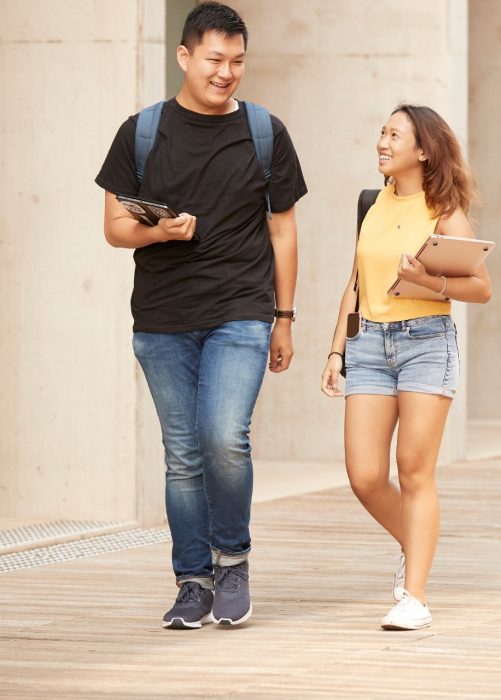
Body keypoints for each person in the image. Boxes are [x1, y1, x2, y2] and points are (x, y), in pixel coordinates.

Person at [95, 2, 307, 629]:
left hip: (240, 310)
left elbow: (284, 231)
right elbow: (113, 228)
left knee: (223, 438)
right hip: (161, 318)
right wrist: (161, 234)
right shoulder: (141, 131)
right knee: (183, 454)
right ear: (184, 56)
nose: (226, 73)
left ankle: (232, 559)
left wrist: (285, 317)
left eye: (237, 61)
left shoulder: (265, 132)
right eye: (214, 60)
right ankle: (193, 579)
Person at [321, 105, 491, 630]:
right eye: (382, 132)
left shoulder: (444, 212)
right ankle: (415, 541)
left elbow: (480, 289)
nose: (382, 141)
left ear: (422, 150)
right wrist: (336, 351)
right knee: (365, 475)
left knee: (414, 471)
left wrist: (426, 282)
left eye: (394, 135)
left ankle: (413, 597)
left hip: (425, 341)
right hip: (368, 343)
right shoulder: (372, 205)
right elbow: (355, 283)